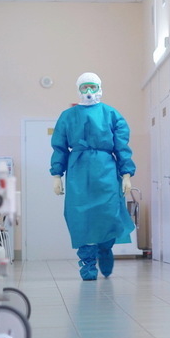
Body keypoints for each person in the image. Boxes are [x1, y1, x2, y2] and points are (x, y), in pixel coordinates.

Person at [50, 72, 136, 281]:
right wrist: (56, 175)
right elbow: (59, 147)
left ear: (99, 88)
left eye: (92, 87)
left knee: (108, 213)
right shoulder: (67, 116)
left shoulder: (111, 114)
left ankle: (105, 249)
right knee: (80, 216)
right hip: (78, 172)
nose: (88, 91)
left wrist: (126, 174)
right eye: (84, 87)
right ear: (78, 89)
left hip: (105, 170)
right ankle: (87, 263)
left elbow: (122, 146)